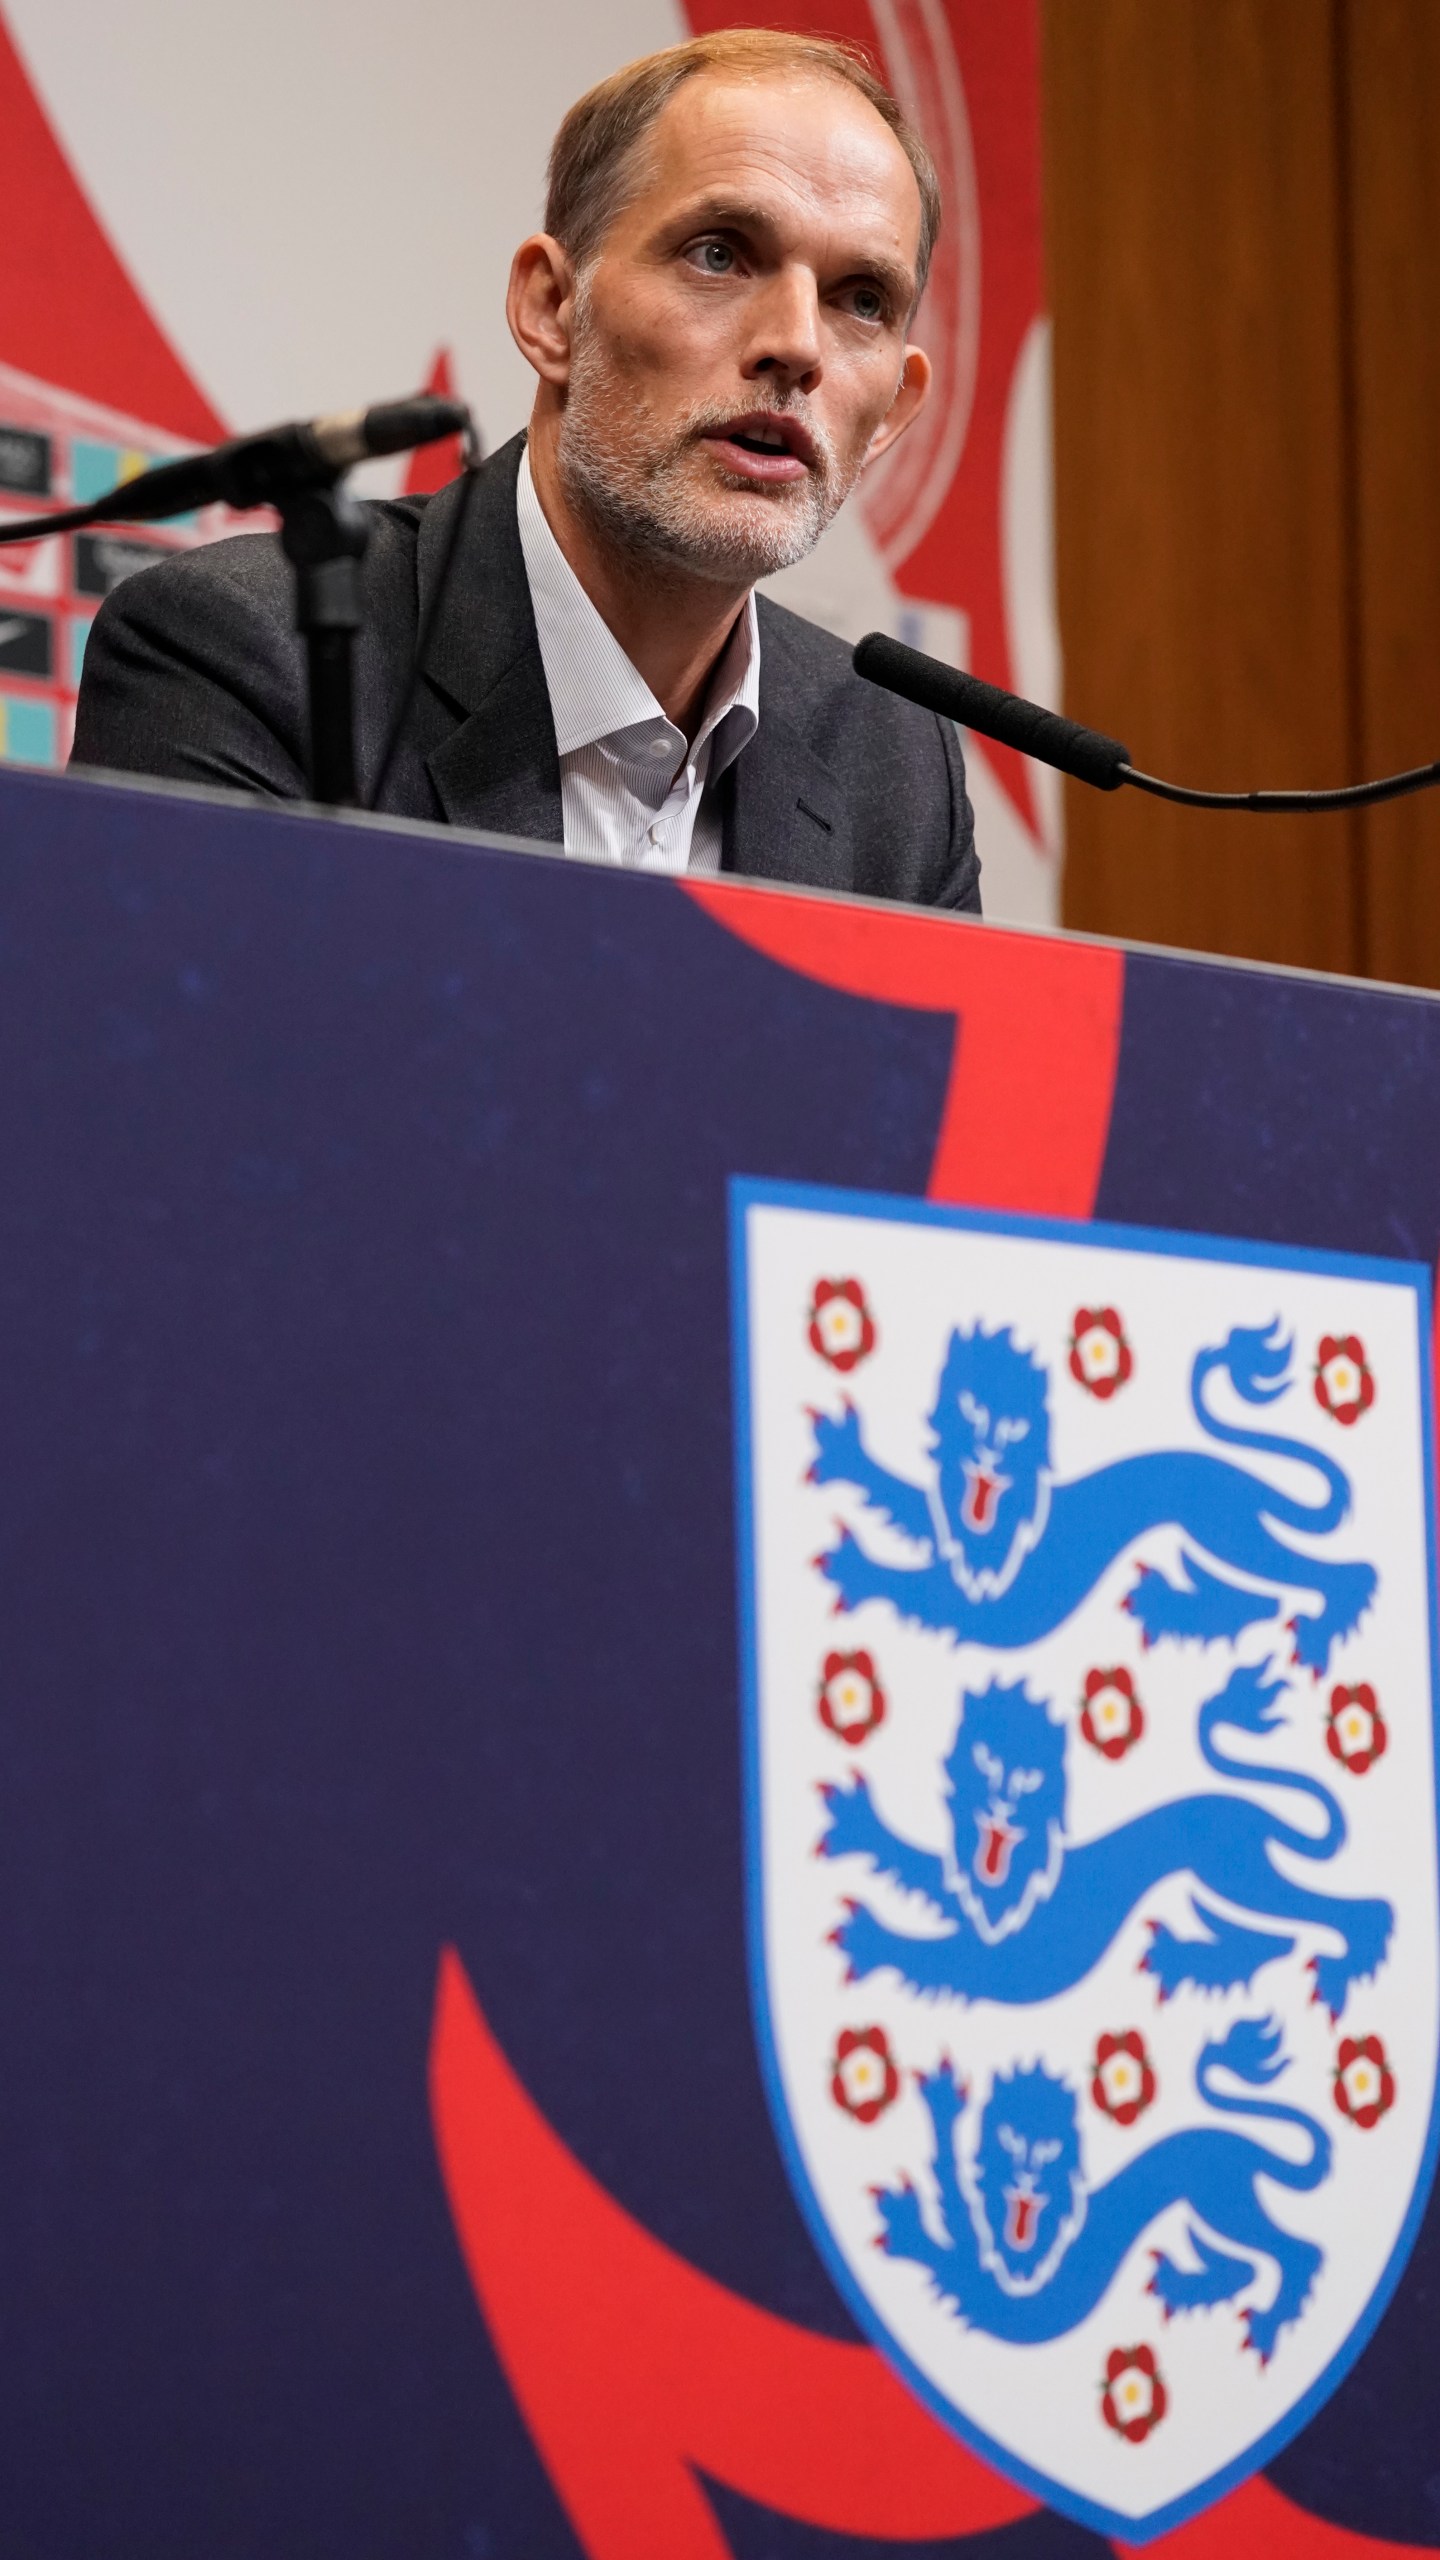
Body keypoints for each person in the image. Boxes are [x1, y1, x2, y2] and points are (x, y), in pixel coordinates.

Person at [72, 30, 979, 912]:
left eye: (861, 300)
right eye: (720, 254)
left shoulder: (895, 767)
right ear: (552, 309)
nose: (796, 345)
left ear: (891, 414)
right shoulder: (250, 656)